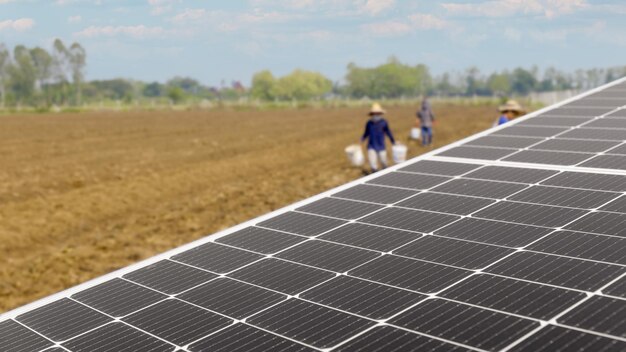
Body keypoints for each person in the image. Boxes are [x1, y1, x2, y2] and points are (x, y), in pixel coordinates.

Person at [361, 103, 396, 173]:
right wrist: (362, 139)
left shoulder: (384, 122)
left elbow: (388, 132)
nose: (376, 115)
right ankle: (374, 173)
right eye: (374, 114)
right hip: (371, 146)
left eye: (377, 113)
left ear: (380, 114)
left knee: (384, 162)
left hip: (381, 146)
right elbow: (366, 133)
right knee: (373, 164)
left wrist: (393, 141)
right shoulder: (369, 123)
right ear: (372, 114)